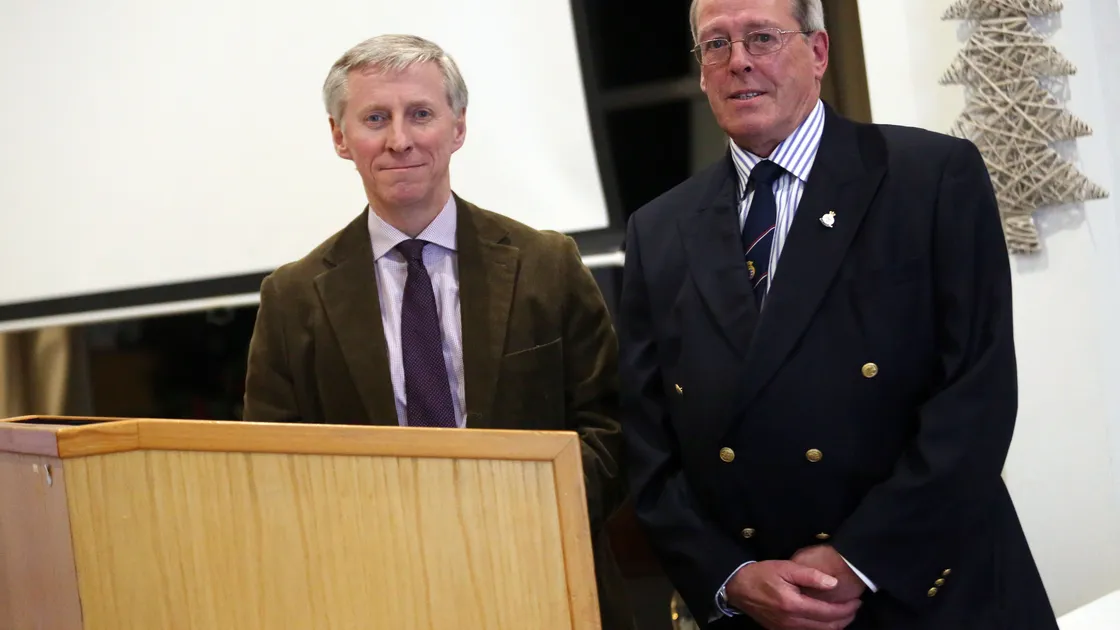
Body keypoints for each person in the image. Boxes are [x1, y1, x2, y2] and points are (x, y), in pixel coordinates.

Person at [617, 1, 1058, 628]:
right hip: (764, 609)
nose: (738, 61)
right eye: (716, 45)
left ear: (819, 52)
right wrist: (729, 576)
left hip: (931, 591)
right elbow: (648, 441)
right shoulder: (657, 229)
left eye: (761, 37)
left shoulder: (931, 178)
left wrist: (861, 557)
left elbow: (977, 394)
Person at [242, 34, 634, 630]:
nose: (400, 139)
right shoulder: (293, 298)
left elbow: (612, 429)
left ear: (458, 127)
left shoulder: (546, 264)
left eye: (420, 113)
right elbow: (271, 470)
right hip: (371, 594)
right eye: (376, 118)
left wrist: (503, 521)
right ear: (340, 137)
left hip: (543, 580)